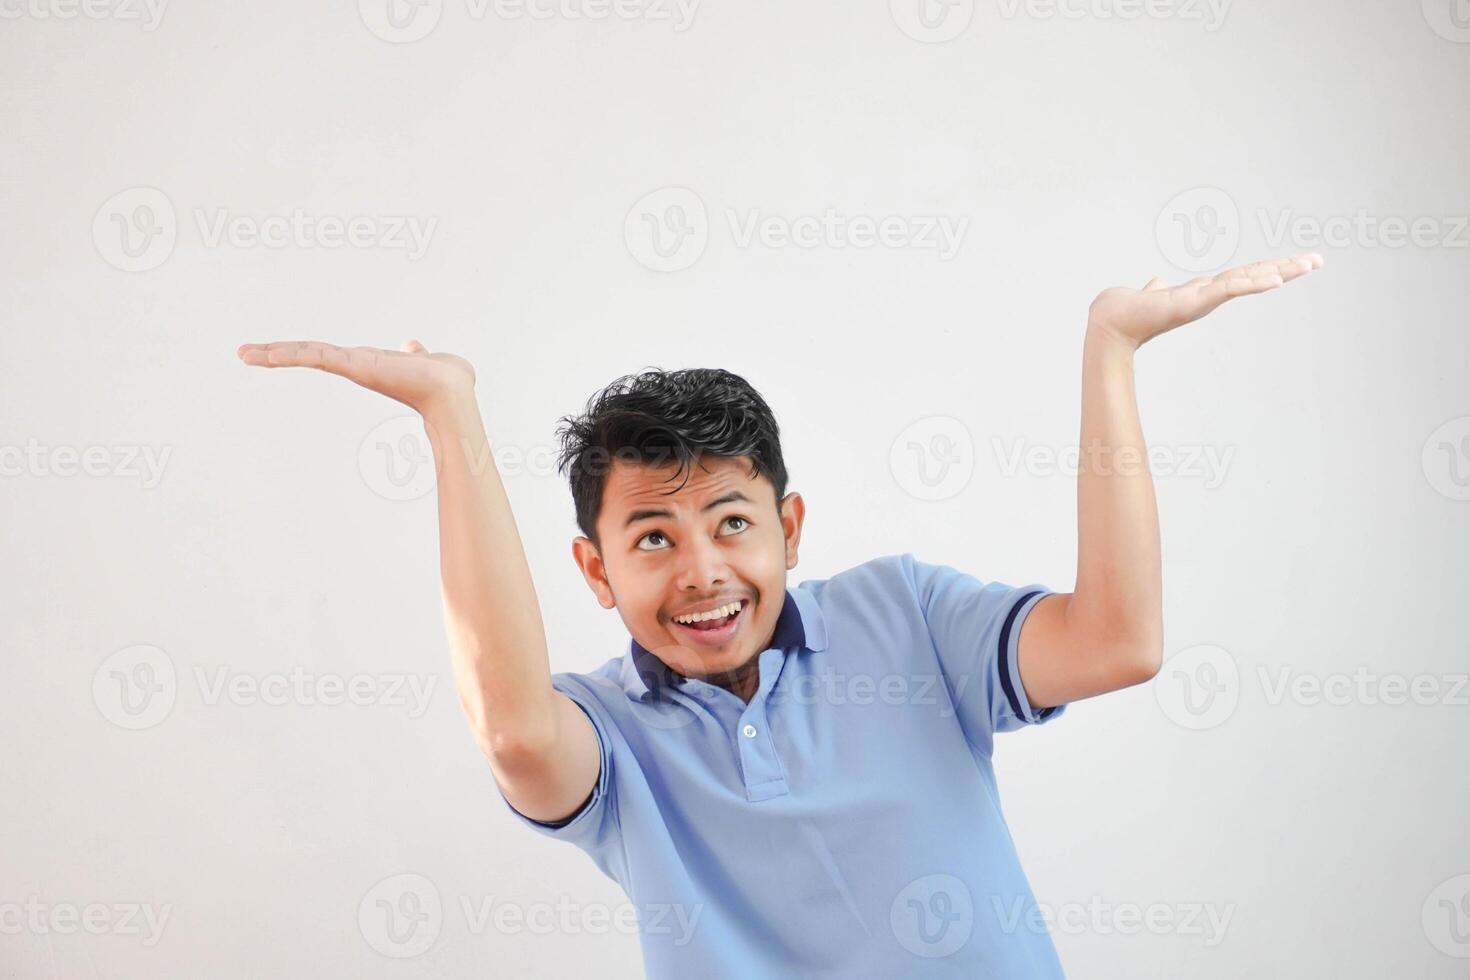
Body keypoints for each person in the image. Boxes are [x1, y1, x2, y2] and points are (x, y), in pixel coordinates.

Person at [236, 252, 1323, 977]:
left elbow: (1119, 641)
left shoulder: (905, 613)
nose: (703, 571)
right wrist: (449, 413)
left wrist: (1110, 351)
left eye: (731, 522)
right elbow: (515, 729)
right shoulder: (609, 740)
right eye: (653, 537)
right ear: (595, 569)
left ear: (789, 526)